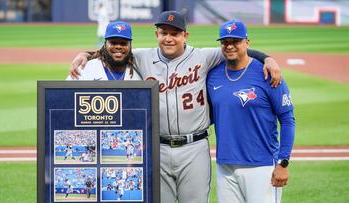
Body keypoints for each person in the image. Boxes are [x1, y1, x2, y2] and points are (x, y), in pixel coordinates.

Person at [68, 11, 282, 203]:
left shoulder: (204, 56)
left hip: (194, 147)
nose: (169, 38)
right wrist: (86, 54)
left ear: (185, 36)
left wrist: (267, 58)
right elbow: (116, 50)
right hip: (157, 148)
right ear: (157, 35)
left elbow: (237, 49)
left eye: (175, 33)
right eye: (164, 33)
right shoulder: (143, 57)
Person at [207, 20, 295, 203]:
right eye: (225, 42)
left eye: (235, 41)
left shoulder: (267, 74)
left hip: (261, 166)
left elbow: (287, 119)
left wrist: (283, 162)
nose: (230, 46)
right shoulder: (213, 75)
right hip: (225, 165)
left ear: (247, 42)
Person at [66, 21, 142, 81]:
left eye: (123, 43)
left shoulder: (141, 69)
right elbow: (64, 96)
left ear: (130, 45)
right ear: (105, 44)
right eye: (113, 42)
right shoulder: (84, 69)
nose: (118, 46)